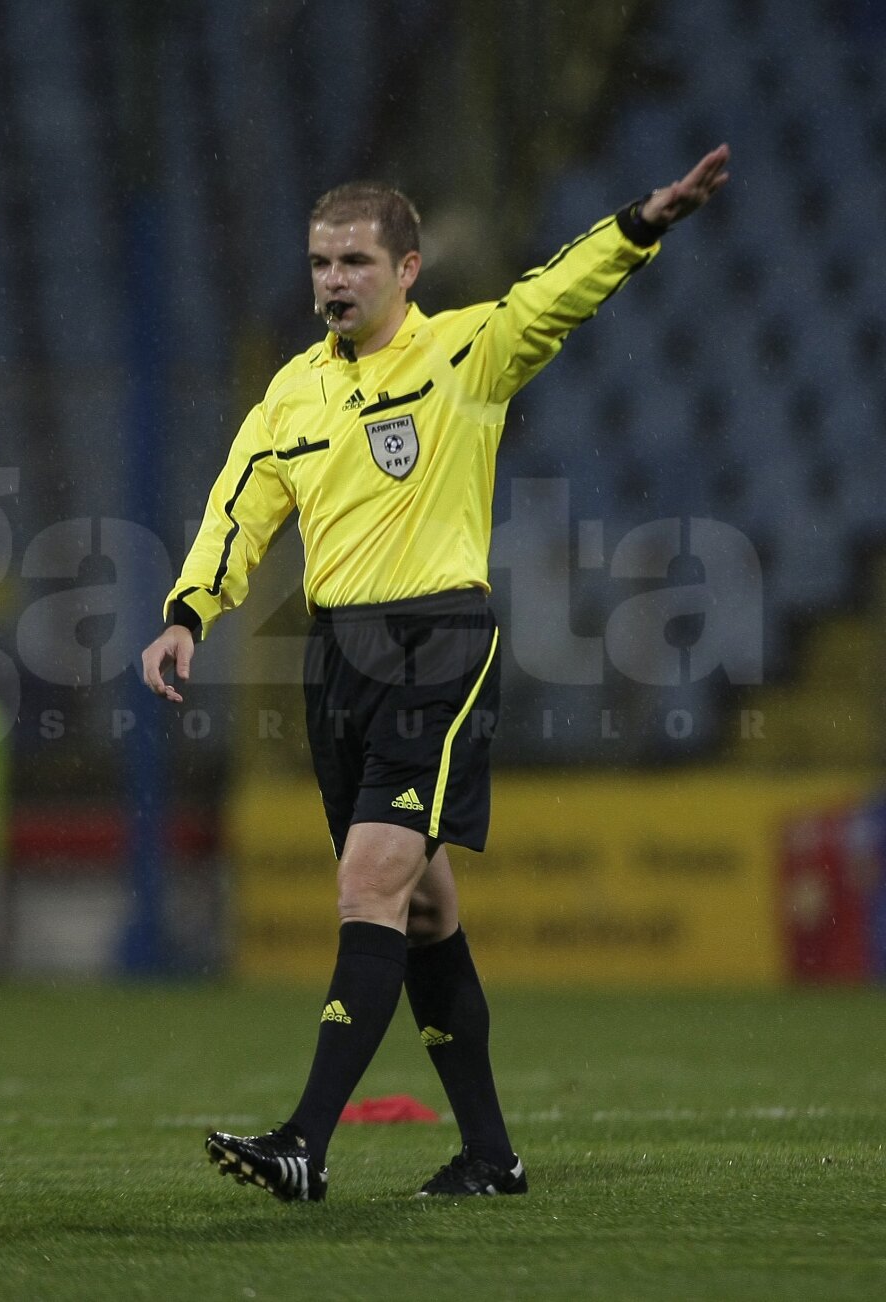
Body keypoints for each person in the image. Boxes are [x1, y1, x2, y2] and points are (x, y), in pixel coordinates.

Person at [142, 146, 730, 1202]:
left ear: (407, 270)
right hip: (337, 659)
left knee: (369, 884)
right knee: (419, 913)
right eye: (320, 262)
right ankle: (491, 1155)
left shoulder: (464, 353)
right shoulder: (293, 393)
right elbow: (239, 508)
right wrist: (190, 610)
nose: (332, 281)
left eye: (355, 262)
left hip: (436, 647)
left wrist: (640, 225)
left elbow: (552, 295)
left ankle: (305, 1143)